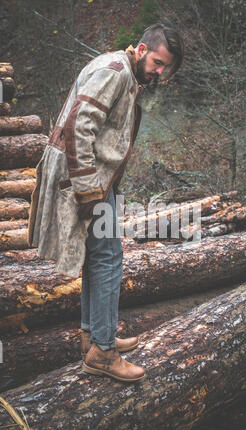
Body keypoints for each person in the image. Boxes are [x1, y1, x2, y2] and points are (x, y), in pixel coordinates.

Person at [28, 24, 184, 382]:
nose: (160, 71)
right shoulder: (114, 72)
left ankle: (93, 336)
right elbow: (78, 127)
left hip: (95, 177)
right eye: (158, 62)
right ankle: (103, 351)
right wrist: (86, 192)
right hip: (83, 177)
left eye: (165, 67)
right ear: (142, 49)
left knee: (99, 256)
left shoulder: (125, 72)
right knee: (108, 258)